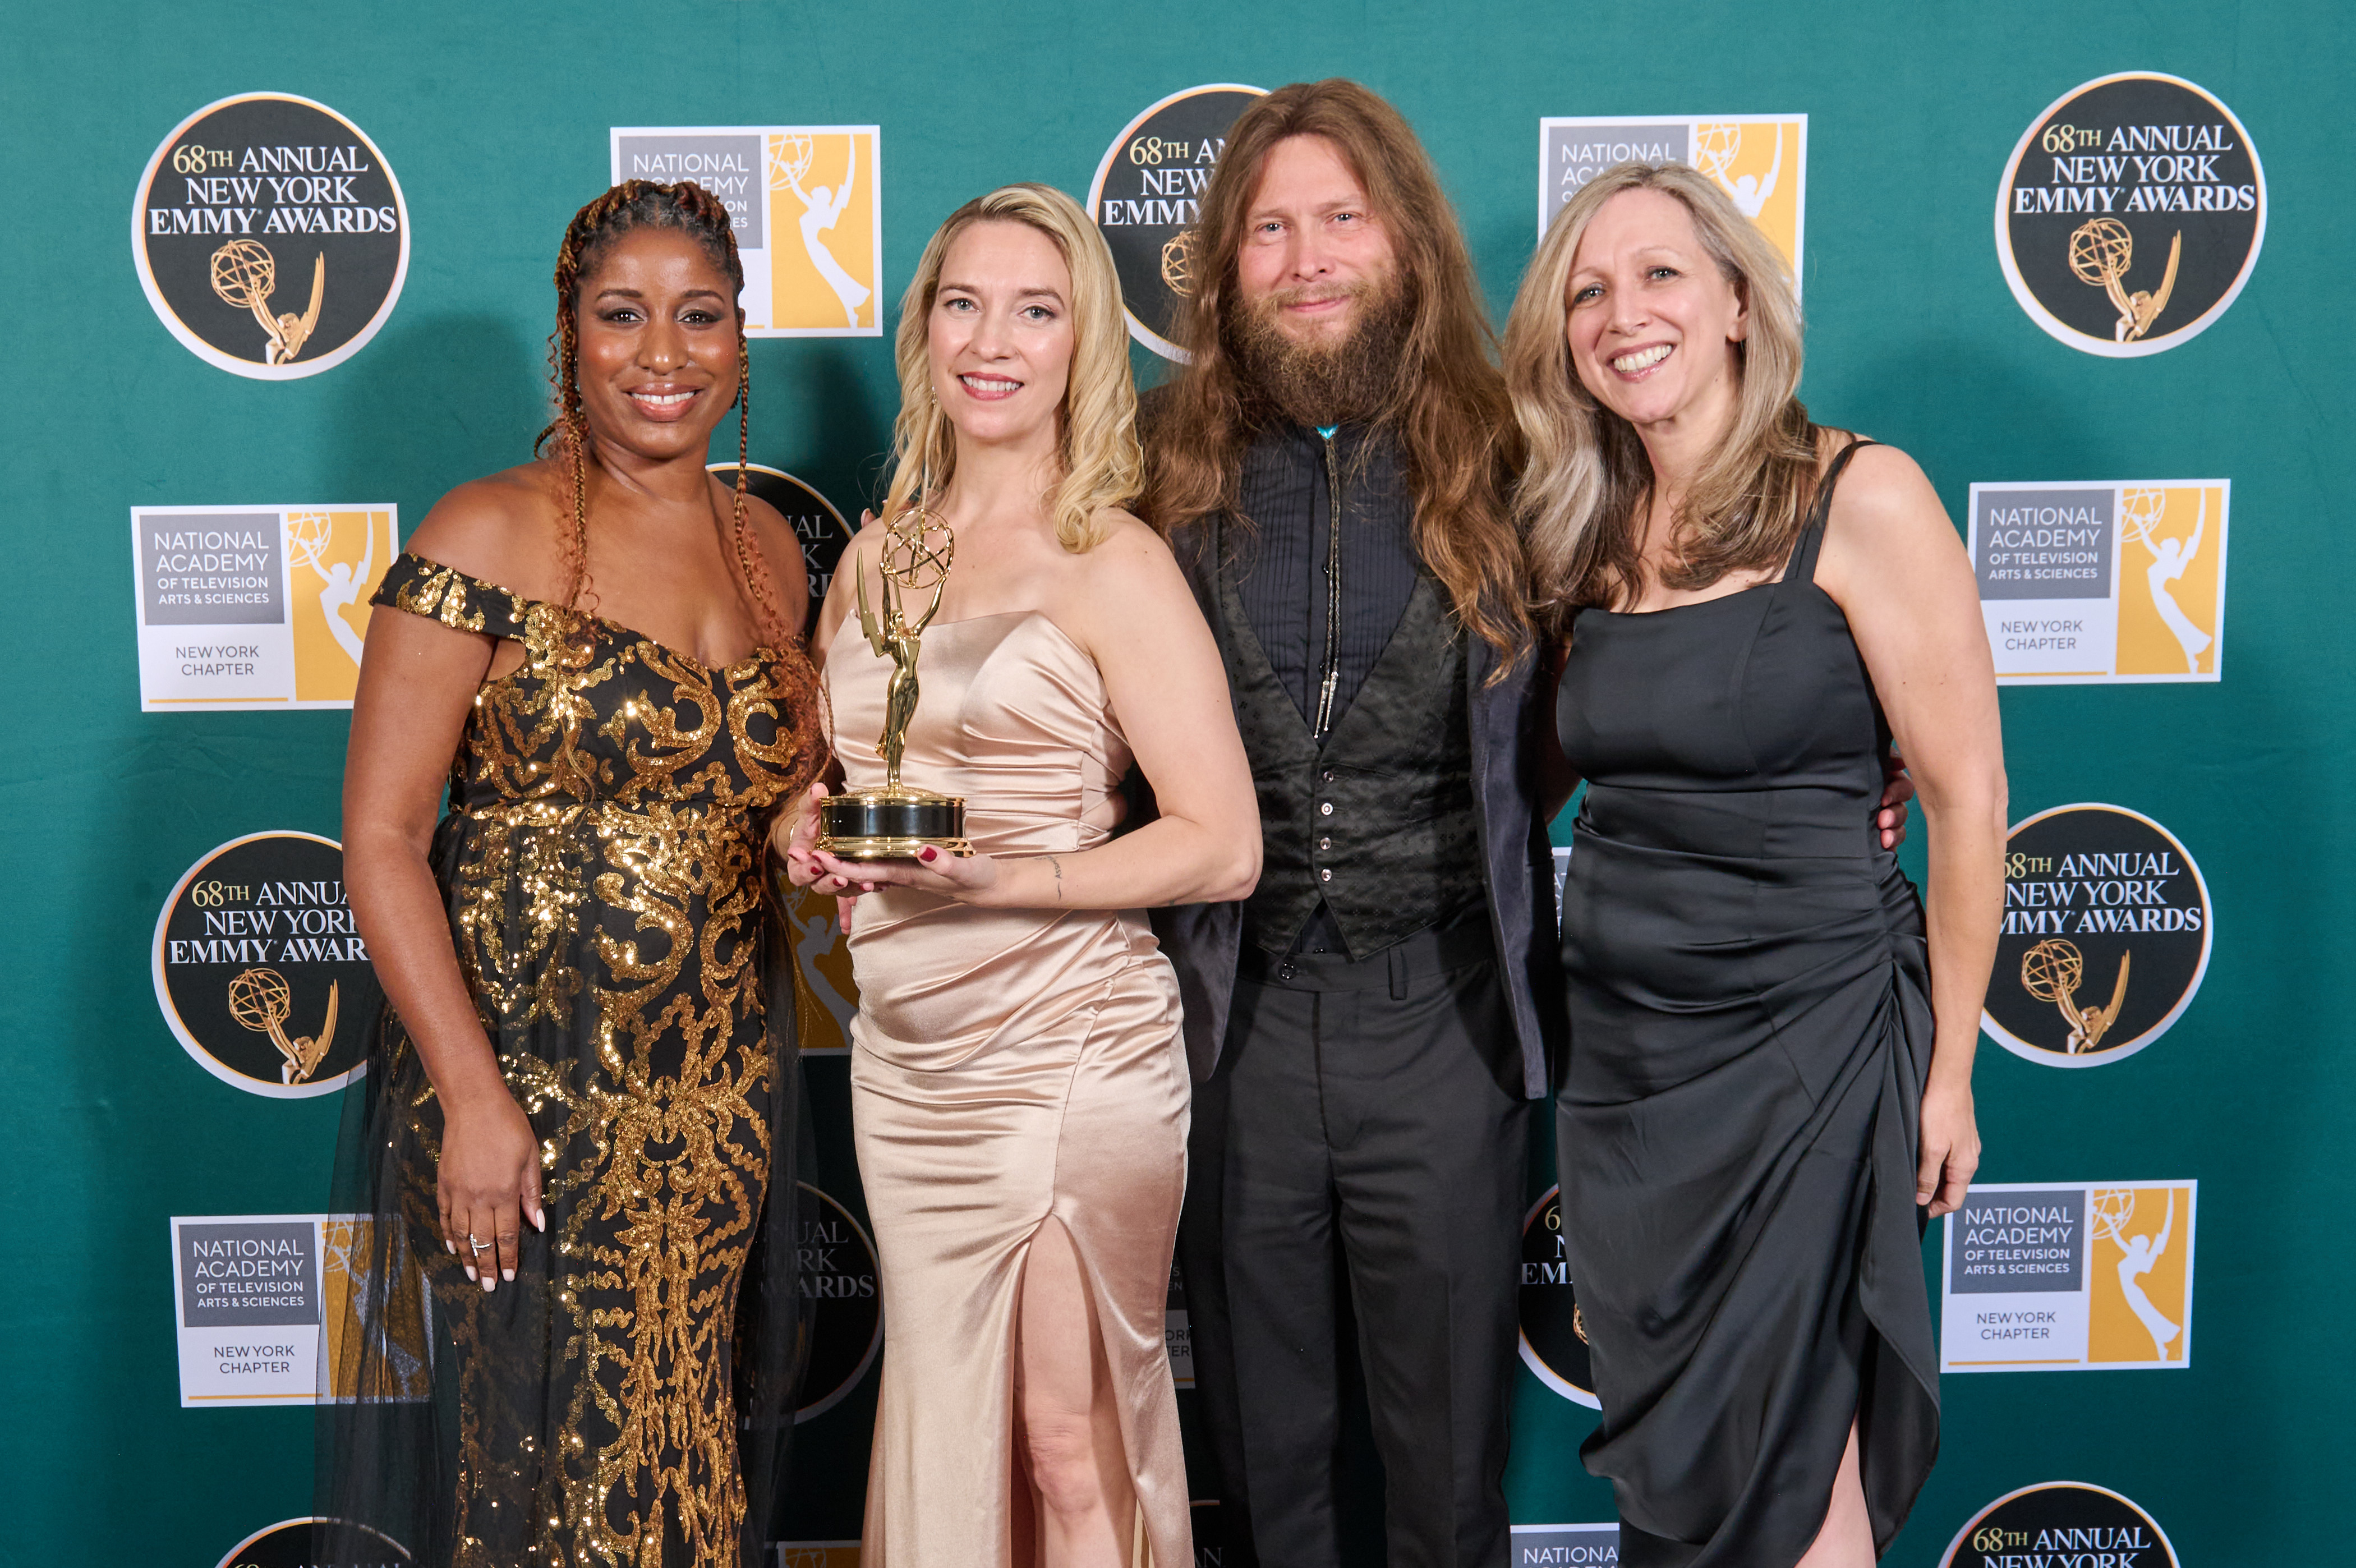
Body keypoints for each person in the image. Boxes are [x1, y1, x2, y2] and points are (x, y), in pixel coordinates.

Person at [1501, 160, 2007, 1567]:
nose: (1623, 314)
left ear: (1738, 303)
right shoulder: (1585, 529)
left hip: (1809, 1050)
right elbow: (1539, 774)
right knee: (1683, 1469)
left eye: (1661, 274)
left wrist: (1952, 1072)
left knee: (1797, 1468)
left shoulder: (1863, 495)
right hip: (1628, 1073)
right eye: (1589, 292)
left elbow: (1967, 800)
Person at [320, 180, 825, 1568]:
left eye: (699, 316)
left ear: (741, 341)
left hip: (711, 1103)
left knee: (680, 1448)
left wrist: (814, 818)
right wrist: (473, 1101)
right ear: (571, 337)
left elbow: (772, 793)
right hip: (524, 1091)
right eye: (622, 315)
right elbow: (382, 838)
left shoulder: (770, 550)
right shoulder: (484, 530)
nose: (663, 353)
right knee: (540, 1469)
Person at [783, 183, 1259, 1568]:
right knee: (953, 1432)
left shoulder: (1114, 559)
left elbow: (1223, 843)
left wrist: (1008, 884)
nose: (993, 341)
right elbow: (845, 776)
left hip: (1068, 1049)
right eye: (964, 304)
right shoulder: (872, 559)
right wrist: (804, 824)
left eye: (1035, 311)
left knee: (1063, 1439)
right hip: (907, 1063)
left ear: (1081, 345)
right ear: (925, 331)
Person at [1138, 80, 1551, 1568]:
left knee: (1446, 1470)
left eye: (1341, 219)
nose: (1306, 258)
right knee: (1263, 1463)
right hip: (1229, 1017)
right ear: (1224, 265)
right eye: (1269, 230)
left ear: (1407, 240)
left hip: (1442, 1014)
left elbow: (1657, 666)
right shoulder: (1149, 465)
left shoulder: (1519, 456)